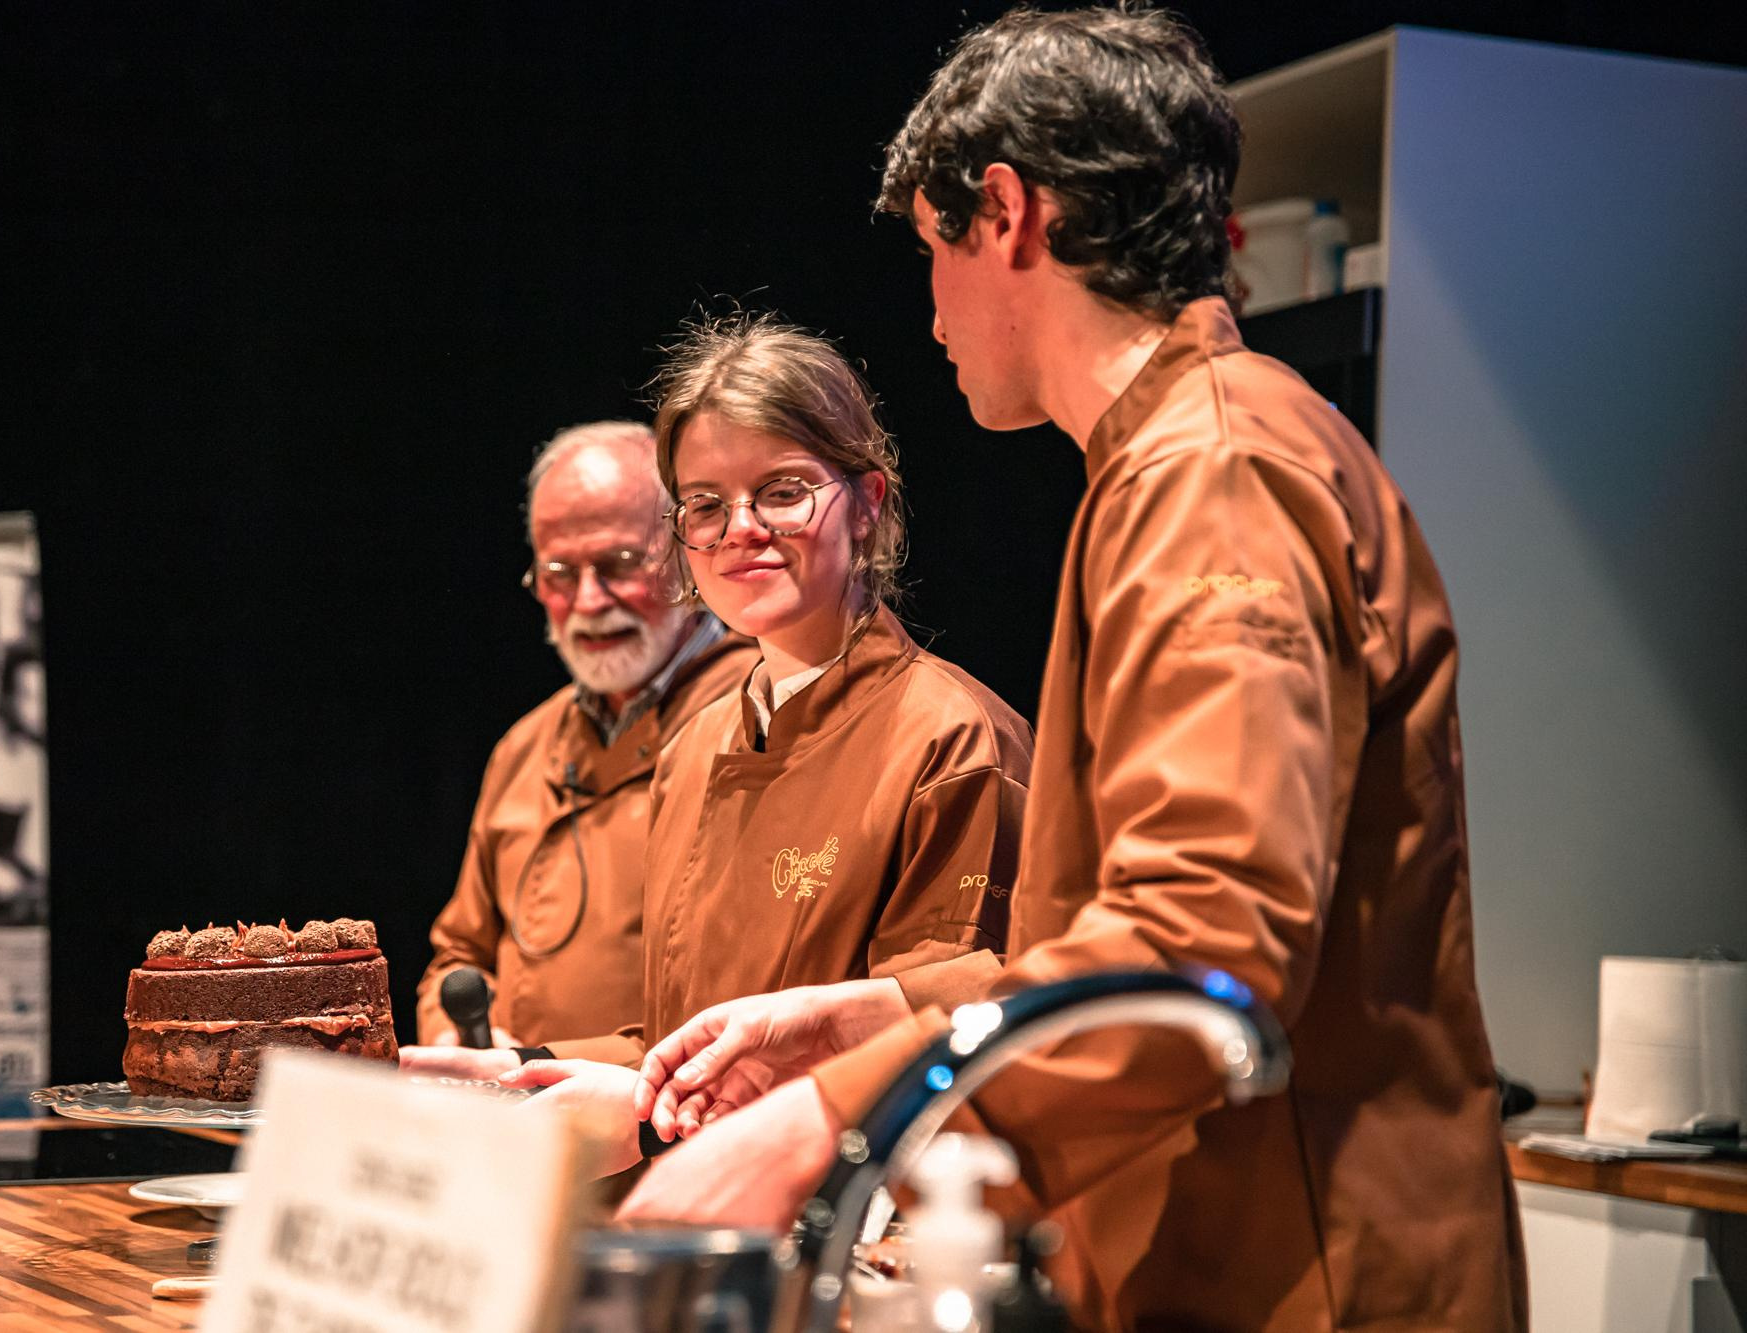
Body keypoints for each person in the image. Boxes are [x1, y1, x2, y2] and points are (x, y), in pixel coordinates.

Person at [620, 10, 1527, 1331]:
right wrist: (871, 1013)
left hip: (1310, 1275)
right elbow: (1114, 929)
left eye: (933, 251)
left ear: (1004, 211)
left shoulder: (1212, 469)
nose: (929, 311)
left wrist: (829, 1120)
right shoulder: (1182, 454)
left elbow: (1199, 950)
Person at [417, 319, 1034, 1169]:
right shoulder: (699, 744)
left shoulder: (954, 738)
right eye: (705, 504)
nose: (740, 528)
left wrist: (648, 1119)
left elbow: (940, 1068)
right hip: (690, 1228)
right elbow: (682, 1044)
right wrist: (523, 1072)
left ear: (867, 504)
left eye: (782, 491)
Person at [410, 422, 756, 1053]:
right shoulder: (525, 745)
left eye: (620, 564)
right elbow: (458, 957)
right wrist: (454, 1036)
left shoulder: (761, 717)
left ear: (687, 552)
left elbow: (763, 984)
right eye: (560, 573)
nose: (590, 600)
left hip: (673, 1126)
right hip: (515, 1131)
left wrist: (543, 1067)